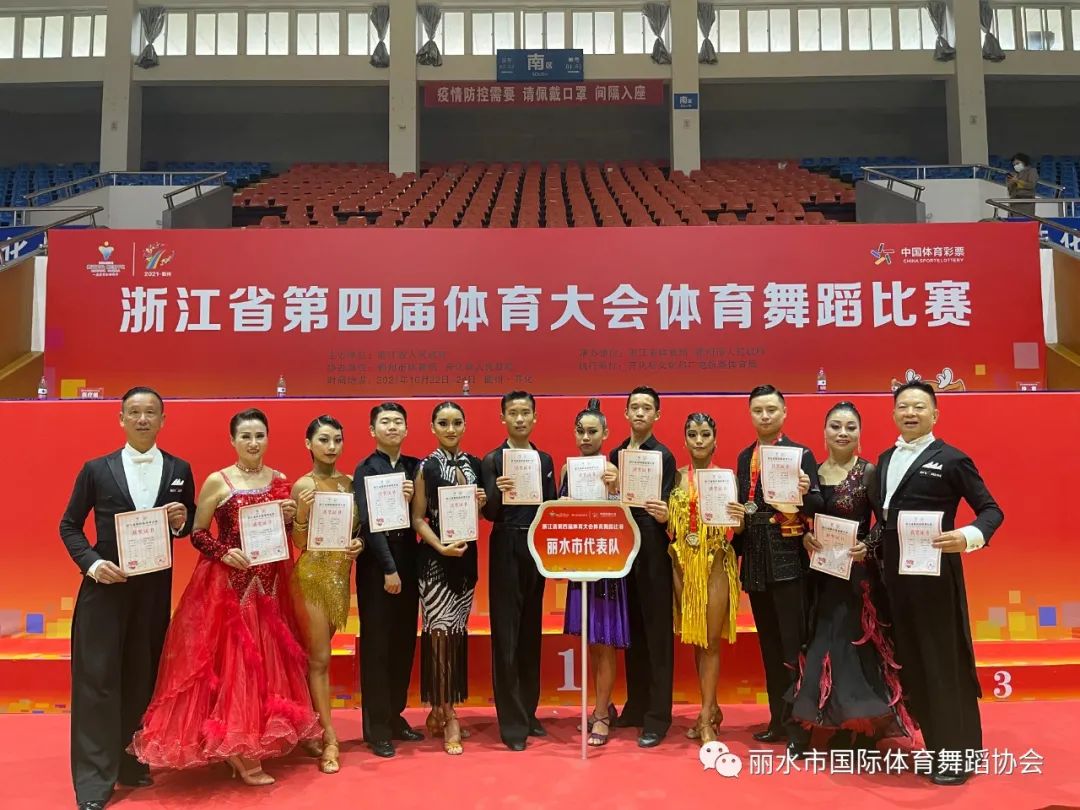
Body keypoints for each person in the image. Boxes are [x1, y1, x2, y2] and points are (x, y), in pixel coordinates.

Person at [130, 408, 320, 786]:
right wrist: (223, 552)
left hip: (269, 588)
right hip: (228, 588)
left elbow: (283, 536)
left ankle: (253, 742)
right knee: (235, 667)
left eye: (259, 435)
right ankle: (239, 750)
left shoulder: (279, 480)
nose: (253, 442)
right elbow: (198, 533)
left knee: (267, 666)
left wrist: (289, 517)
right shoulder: (219, 481)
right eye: (245, 436)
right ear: (232, 440)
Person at [60, 387, 195, 810]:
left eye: (150, 412)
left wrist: (181, 521)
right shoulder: (96, 469)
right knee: (98, 683)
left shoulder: (179, 468)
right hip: (105, 590)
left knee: (142, 678)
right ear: (120, 419)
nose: (142, 419)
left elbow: (187, 524)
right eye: (134, 412)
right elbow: (69, 525)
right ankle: (93, 783)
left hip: (153, 593)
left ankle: (130, 761)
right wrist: (93, 564)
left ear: (162, 420)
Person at [875, 381, 1003, 785]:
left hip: (935, 579)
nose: (910, 413)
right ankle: (937, 749)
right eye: (903, 406)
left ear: (935, 414)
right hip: (895, 581)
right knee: (914, 665)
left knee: (943, 664)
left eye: (919, 406)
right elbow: (884, 520)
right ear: (894, 414)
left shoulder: (952, 459)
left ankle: (959, 756)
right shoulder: (885, 459)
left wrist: (966, 537)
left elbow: (991, 510)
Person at [791, 402, 912, 750]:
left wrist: (867, 545)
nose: (842, 433)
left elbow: (886, 521)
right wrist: (805, 536)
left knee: (851, 647)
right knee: (822, 644)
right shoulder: (811, 473)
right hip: (819, 574)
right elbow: (803, 518)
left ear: (859, 433)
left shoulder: (869, 472)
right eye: (835, 426)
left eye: (850, 427)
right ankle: (830, 720)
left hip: (856, 576)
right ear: (824, 431)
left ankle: (861, 725)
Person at [732, 384, 822, 758]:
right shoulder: (744, 457)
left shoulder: (802, 454)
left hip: (789, 557)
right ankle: (777, 720)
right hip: (755, 558)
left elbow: (818, 506)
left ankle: (801, 728)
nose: (765, 416)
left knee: (793, 645)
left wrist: (806, 491)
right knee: (769, 645)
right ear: (750, 415)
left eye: (771, 410)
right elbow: (742, 506)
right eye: (758, 411)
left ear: (784, 413)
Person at [482, 391, 558, 751]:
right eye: (513, 413)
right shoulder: (493, 459)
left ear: (535, 417)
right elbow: (489, 513)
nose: (520, 419)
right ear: (503, 418)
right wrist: (496, 492)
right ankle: (511, 724)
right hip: (506, 544)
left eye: (526, 412)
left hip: (535, 545)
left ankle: (529, 712)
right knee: (507, 634)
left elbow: (551, 504)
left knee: (530, 632)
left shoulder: (544, 459)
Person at [410, 401, 486, 755]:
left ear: (465, 425)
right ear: (433, 427)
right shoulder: (426, 467)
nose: (450, 429)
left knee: (455, 635)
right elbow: (418, 518)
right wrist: (440, 547)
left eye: (456, 422)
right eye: (443, 423)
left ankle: (439, 709)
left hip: (466, 561)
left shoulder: (475, 464)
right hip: (435, 562)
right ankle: (449, 713)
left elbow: (478, 515)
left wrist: (481, 504)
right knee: (438, 636)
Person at [290, 415, 364, 773]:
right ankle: (330, 739)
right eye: (323, 440)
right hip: (312, 578)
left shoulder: (350, 484)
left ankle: (307, 728)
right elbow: (298, 543)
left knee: (314, 658)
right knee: (319, 659)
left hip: (340, 579)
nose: (331, 446)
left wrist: (359, 544)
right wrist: (302, 513)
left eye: (337, 439)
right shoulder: (303, 485)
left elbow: (359, 530)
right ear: (309, 444)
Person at [353, 403, 423, 758]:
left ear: (406, 429)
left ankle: (395, 716)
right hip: (377, 566)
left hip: (409, 560)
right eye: (385, 422)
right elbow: (369, 523)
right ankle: (377, 728)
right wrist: (388, 569)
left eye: (398, 422)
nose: (392, 427)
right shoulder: (365, 469)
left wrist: (415, 500)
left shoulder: (415, 466)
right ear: (372, 430)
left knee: (403, 642)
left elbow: (424, 514)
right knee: (377, 646)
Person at [666, 412, 740, 744]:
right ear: (684, 440)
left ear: (715, 440)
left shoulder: (726, 478)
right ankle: (711, 708)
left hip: (715, 565)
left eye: (705, 434)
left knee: (710, 642)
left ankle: (707, 717)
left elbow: (738, 527)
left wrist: (739, 518)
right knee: (697, 640)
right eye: (693, 434)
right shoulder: (674, 478)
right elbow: (667, 524)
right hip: (682, 565)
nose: (699, 440)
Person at [609, 386, 676, 748]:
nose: (639, 412)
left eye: (646, 408)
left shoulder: (663, 456)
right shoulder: (615, 455)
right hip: (622, 546)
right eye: (634, 407)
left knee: (656, 634)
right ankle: (636, 706)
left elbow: (667, 508)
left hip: (651, 545)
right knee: (631, 630)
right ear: (625, 413)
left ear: (656, 415)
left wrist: (665, 514)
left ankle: (658, 717)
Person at [559, 398, 628, 746]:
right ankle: (605, 704)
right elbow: (557, 519)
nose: (586, 437)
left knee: (605, 642)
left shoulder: (616, 469)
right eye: (580, 431)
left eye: (592, 431)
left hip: (608, 566)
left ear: (605, 433)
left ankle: (600, 714)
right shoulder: (567, 470)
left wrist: (616, 489)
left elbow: (629, 518)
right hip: (580, 564)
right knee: (591, 641)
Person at [1006, 152, 1039, 217]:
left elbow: (1031, 185)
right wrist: (1011, 183)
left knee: (1025, 220)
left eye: (1017, 163)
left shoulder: (1032, 171)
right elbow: (1009, 190)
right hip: (1014, 202)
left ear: (1024, 162)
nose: (1015, 166)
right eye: (1014, 165)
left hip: (1026, 203)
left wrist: (1018, 181)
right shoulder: (1014, 174)